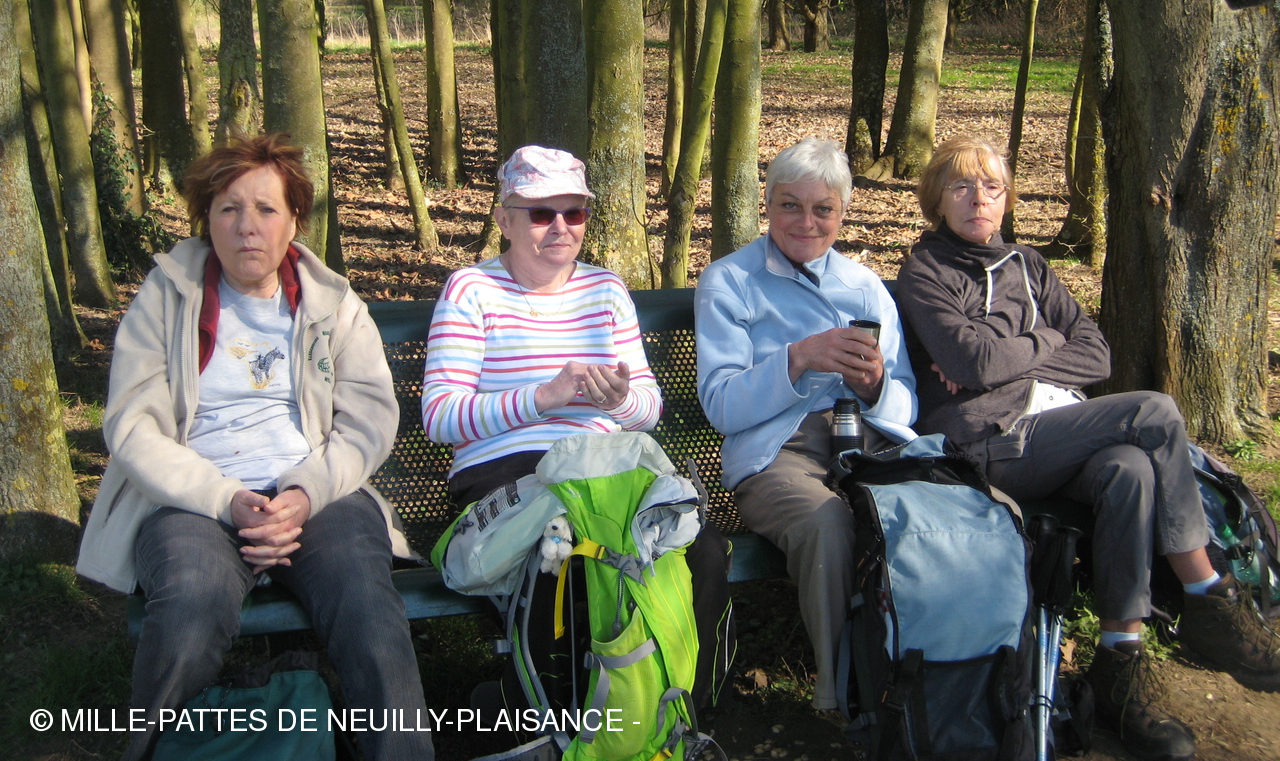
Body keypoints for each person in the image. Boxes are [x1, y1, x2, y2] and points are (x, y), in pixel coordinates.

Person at [895, 134, 1280, 761]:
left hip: (1056, 430)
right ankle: (1208, 594)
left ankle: (1119, 666)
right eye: (961, 186)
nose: (978, 199)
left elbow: (1096, 353)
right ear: (937, 199)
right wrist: (1041, 342)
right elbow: (971, 361)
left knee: (1129, 469)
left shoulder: (1030, 266)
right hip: (986, 443)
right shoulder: (926, 272)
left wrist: (1014, 354)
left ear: (1006, 198)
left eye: (991, 187)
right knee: (1154, 411)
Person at [76, 134, 433, 761]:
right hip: (195, 500)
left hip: (317, 494)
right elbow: (133, 426)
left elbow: (370, 419)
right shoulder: (164, 297)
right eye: (229, 209)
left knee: (366, 604)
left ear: (294, 220)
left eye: (266, 209)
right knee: (189, 606)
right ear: (206, 219)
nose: (247, 226)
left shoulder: (333, 304)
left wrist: (306, 493)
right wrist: (226, 499)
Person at [694, 137, 918, 718]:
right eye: (790, 205)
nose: (806, 222)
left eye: (823, 209)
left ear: (843, 212)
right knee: (827, 523)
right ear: (767, 204)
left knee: (934, 509)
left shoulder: (865, 287)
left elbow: (904, 406)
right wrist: (797, 358)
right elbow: (721, 404)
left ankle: (933, 674)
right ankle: (842, 695)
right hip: (777, 452)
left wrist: (875, 387)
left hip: (864, 441)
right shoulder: (730, 281)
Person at [420, 144, 662, 508]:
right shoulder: (471, 289)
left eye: (574, 213)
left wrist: (619, 400)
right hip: (505, 466)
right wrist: (541, 397)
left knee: (688, 534)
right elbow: (440, 416)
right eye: (541, 214)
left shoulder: (606, 289)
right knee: (565, 532)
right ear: (504, 221)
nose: (560, 228)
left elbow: (649, 410)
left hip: (603, 462)